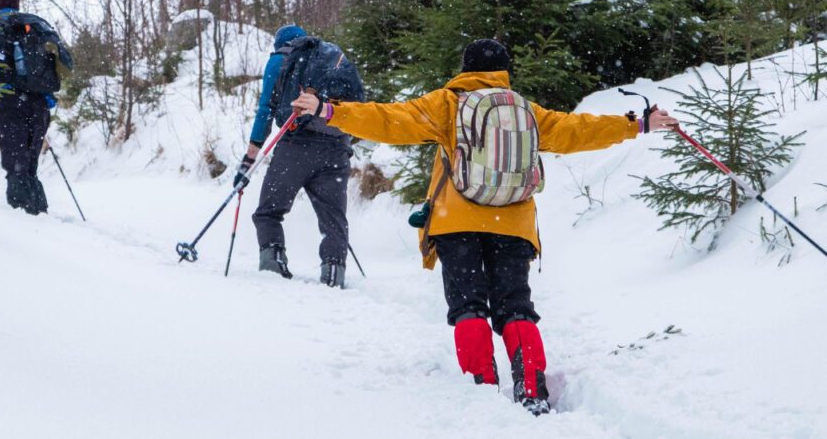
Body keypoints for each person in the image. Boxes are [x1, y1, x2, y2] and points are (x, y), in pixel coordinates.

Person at [291, 38, 679, 414]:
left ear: (465, 69)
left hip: (456, 222)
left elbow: (390, 120)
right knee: (516, 307)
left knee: (468, 306)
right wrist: (639, 123)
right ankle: (532, 389)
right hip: (512, 222)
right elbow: (578, 129)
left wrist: (329, 111)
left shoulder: (447, 104)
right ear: (504, 71)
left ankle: (482, 388)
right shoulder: (526, 110)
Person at [235, 25, 356, 288]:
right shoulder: (333, 57)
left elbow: (265, 110)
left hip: (296, 147)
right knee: (334, 220)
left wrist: (249, 159)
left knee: (268, 212)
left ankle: (273, 270)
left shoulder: (280, 60)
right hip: (337, 147)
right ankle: (334, 274)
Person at [0, 0, 72, 215]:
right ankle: (39, 215)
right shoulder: (35, 27)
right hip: (40, 104)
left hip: (10, 103)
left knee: (16, 167)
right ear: (17, 4)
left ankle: (23, 224)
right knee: (29, 167)